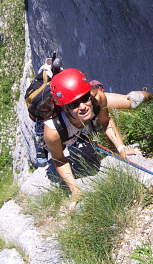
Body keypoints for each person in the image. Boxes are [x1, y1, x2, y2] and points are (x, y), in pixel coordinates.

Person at [43, 68, 140, 209]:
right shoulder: (53, 132)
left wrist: (122, 148)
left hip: (89, 110)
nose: (82, 107)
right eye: (73, 104)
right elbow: (59, 159)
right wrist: (75, 190)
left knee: (131, 101)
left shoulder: (96, 98)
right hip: (66, 132)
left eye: (84, 98)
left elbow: (106, 121)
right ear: (64, 108)